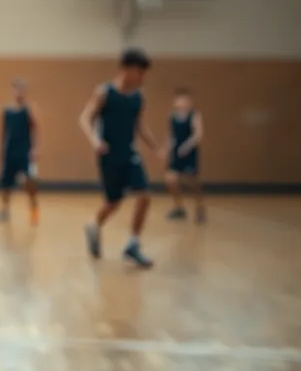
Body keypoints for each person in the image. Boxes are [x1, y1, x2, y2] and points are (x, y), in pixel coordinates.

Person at [78, 48, 158, 268]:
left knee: (144, 194)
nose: (142, 78)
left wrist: (154, 146)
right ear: (127, 69)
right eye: (140, 73)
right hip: (108, 155)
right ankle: (94, 225)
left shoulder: (138, 98)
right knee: (113, 202)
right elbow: (85, 118)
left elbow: (139, 124)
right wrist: (95, 141)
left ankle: (133, 245)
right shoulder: (104, 92)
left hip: (130, 154)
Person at [0, 80, 40, 225]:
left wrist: (35, 149)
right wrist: (0, 149)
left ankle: (34, 209)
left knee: (29, 181)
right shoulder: (6, 110)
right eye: (16, 90)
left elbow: (36, 129)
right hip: (10, 150)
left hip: (24, 151)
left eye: (21, 90)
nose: (18, 93)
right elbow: (3, 131)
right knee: (5, 183)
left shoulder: (29, 109)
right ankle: (4, 210)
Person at [163, 88, 206, 224]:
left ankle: (200, 208)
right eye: (179, 100)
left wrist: (187, 146)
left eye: (185, 100)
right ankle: (179, 208)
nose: (182, 102)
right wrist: (166, 150)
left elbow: (198, 135)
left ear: (190, 102)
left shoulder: (194, 115)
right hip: (176, 152)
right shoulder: (172, 116)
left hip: (189, 152)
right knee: (171, 180)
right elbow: (170, 136)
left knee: (191, 182)